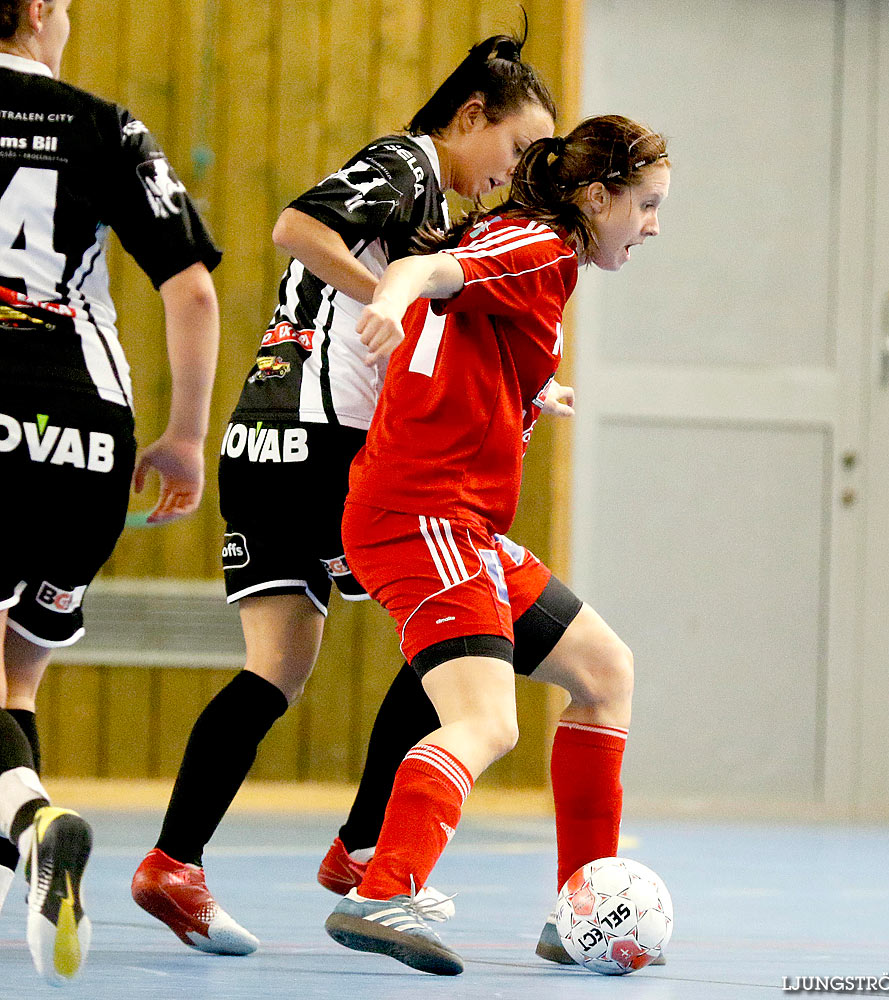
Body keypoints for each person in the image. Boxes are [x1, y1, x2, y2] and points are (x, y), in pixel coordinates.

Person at [130, 27, 558, 956]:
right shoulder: (407, 161)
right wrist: (385, 301)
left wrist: (523, 383)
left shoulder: (432, 210)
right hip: (322, 447)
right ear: (471, 117)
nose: (512, 174)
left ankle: (173, 863)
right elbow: (297, 226)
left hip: (262, 442)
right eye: (516, 150)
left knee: (276, 666)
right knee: (458, 620)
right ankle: (365, 849)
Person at [320, 114, 670, 976]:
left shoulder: (530, 246)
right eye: (647, 205)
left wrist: (530, 389)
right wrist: (392, 305)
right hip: (420, 517)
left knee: (603, 671)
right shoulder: (545, 248)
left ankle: (579, 909)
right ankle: (381, 889)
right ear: (597, 198)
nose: (653, 225)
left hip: (455, 520)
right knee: (484, 720)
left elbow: (472, 315)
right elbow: (423, 271)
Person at [0, 0, 222, 983]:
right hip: (86, 444)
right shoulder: (105, 124)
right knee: (12, 674)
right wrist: (182, 437)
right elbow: (193, 287)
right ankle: (27, 867)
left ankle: (31, 822)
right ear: (42, 8)